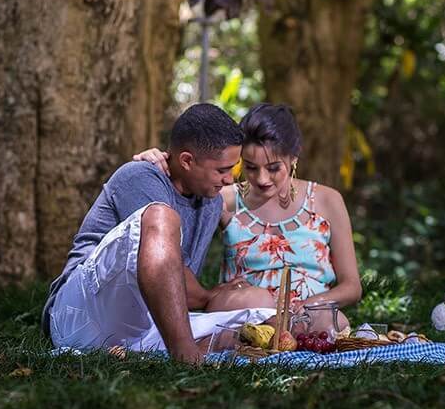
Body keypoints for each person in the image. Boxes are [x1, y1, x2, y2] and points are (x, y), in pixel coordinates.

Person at [43, 103, 276, 364]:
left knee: (260, 308)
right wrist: (211, 295)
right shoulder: (140, 176)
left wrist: (217, 296)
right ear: (187, 160)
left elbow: (176, 293)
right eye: (222, 170)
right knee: (161, 215)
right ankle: (187, 357)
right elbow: (182, 285)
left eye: (233, 169)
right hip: (79, 316)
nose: (228, 180)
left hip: (141, 328)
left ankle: (166, 350)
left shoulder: (210, 202)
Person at [133, 103, 362, 333]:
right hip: (244, 311)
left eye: (273, 168)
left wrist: (310, 304)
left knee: (334, 321)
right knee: (257, 301)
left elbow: (352, 286)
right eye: (251, 167)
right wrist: (159, 162)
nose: (262, 179)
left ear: (294, 157)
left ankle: (284, 335)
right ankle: (273, 336)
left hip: (307, 314)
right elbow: (170, 210)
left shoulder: (327, 200)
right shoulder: (223, 198)